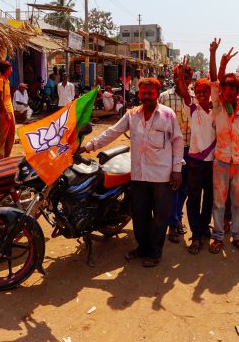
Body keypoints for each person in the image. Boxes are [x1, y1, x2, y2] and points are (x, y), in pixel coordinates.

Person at [83, 77, 183, 268]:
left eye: (150, 93)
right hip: (138, 175)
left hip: (162, 175)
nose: (146, 96)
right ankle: (143, 248)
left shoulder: (168, 115)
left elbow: (177, 142)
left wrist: (177, 170)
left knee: (160, 217)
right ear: (138, 94)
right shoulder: (132, 115)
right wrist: (89, 146)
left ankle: (155, 252)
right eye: (143, 93)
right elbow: (112, 132)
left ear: (157, 94)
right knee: (139, 215)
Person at [208, 38, 239, 255]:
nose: (228, 91)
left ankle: (237, 236)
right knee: (219, 203)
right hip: (221, 161)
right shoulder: (217, 105)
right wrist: (216, 57)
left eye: (232, 88)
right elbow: (214, 80)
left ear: (237, 90)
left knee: (238, 203)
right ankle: (218, 237)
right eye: (225, 88)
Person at [174, 62, 215, 254]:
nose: (202, 95)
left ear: (210, 93)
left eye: (205, 92)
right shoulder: (193, 110)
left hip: (213, 163)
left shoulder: (217, 112)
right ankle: (196, 234)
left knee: (209, 198)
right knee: (193, 200)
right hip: (196, 163)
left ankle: (204, 227)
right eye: (198, 92)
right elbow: (183, 92)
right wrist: (182, 75)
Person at [159, 62, 194, 243]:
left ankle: (177, 216)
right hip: (169, 151)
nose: (183, 81)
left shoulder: (194, 98)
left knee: (184, 189)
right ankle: (172, 223)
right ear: (174, 78)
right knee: (173, 187)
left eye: (187, 78)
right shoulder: (164, 98)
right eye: (180, 77)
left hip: (190, 150)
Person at [0, 61, 15, 160]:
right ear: (6, 69)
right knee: (2, 136)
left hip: (10, 110)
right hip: (3, 112)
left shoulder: (7, 81)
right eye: (11, 68)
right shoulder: (0, 81)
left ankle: (7, 157)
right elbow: (0, 98)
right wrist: (6, 113)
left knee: (11, 134)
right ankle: (0, 159)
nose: (12, 70)